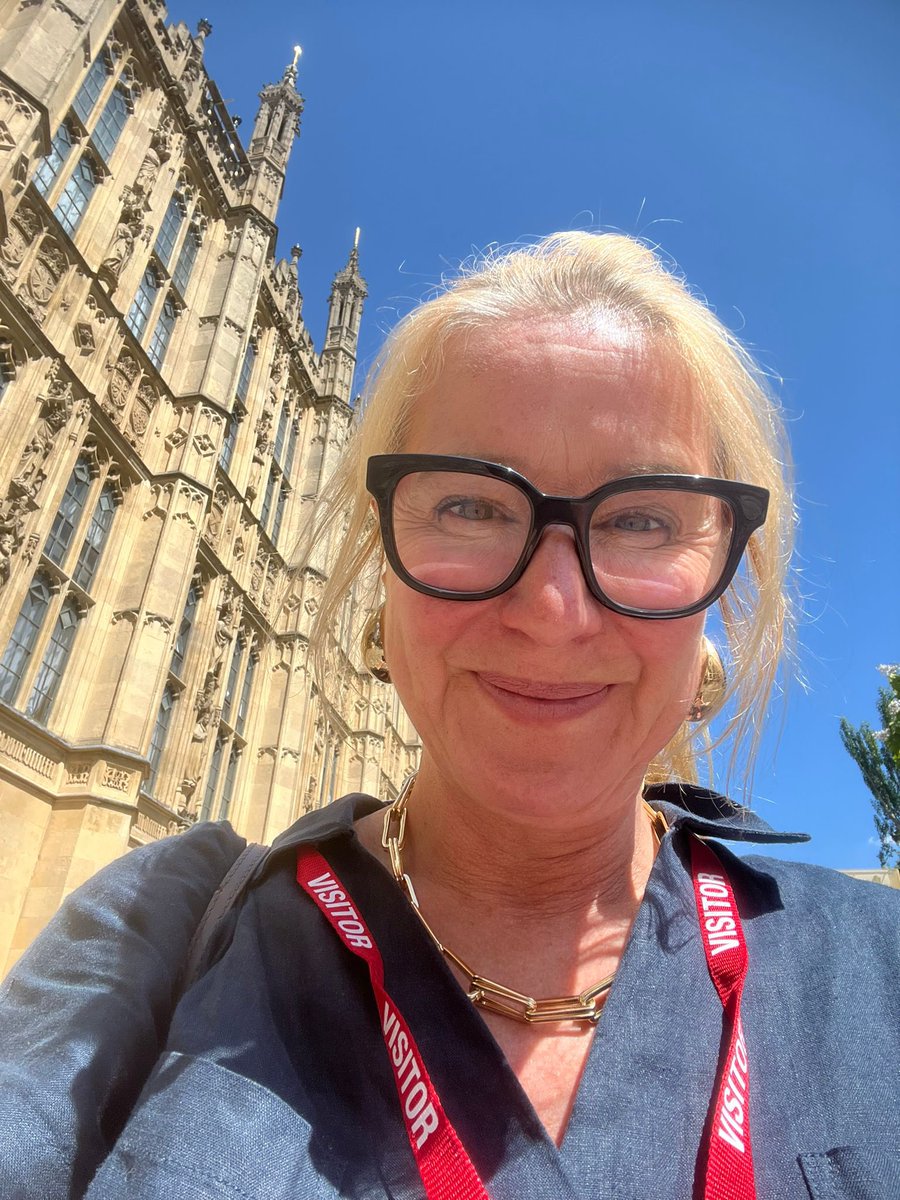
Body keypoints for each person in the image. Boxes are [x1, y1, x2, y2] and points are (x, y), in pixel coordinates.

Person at [2, 232, 898, 1200]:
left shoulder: (874, 971)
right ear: (380, 561)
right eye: (471, 506)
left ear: (725, 576)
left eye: (641, 519)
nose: (553, 608)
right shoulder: (165, 930)